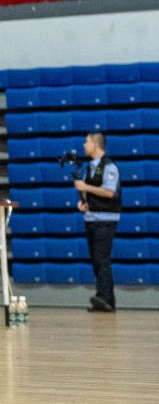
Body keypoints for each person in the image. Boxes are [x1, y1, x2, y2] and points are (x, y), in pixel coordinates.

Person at [75, 129, 120, 313]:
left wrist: (85, 187)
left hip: (105, 220)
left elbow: (109, 192)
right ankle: (104, 298)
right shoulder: (90, 167)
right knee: (96, 260)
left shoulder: (109, 167)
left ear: (95, 144)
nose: (84, 145)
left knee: (102, 259)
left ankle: (105, 298)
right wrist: (83, 202)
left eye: (87, 142)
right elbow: (90, 192)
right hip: (91, 218)